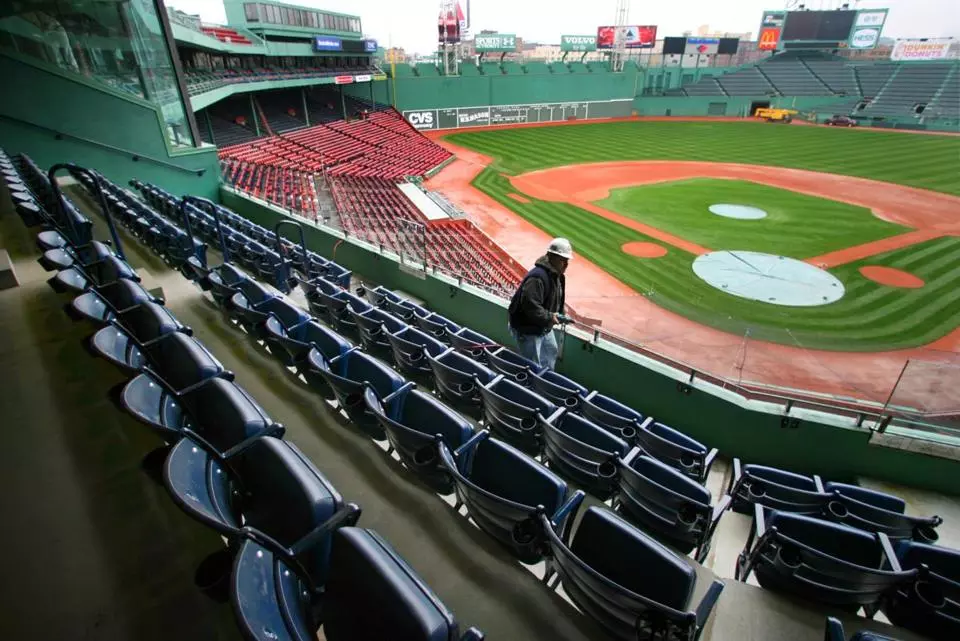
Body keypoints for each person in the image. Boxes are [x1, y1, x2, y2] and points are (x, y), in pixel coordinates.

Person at [507, 238, 572, 370]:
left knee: (550, 352)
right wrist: (549, 317)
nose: (566, 264)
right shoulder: (537, 277)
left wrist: (560, 310)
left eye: (567, 260)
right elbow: (530, 306)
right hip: (528, 328)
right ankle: (531, 386)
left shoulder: (557, 275)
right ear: (551, 257)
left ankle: (545, 380)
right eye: (562, 260)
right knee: (532, 365)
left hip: (542, 325)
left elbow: (554, 296)